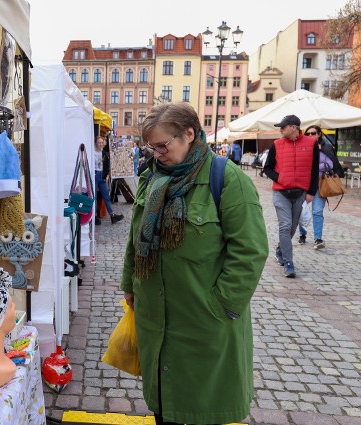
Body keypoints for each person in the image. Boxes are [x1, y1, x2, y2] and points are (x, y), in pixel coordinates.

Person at [120, 102, 268, 425]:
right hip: (155, 323)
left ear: (189, 133)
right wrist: (130, 284)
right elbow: (135, 236)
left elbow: (251, 250)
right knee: (165, 408)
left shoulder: (226, 179)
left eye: (163, 145)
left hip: (204, 325)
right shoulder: (152, 177)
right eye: (152, 147)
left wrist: (221, 305)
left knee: (202, 408)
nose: (157, 154)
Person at [263, 115, 319, 277]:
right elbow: (267, 168)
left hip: (300, 193)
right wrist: (281, 178)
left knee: (293, 228)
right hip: (281, 193)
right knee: (285, 226)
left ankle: (281, 249)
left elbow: (314, 170)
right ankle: (289, 263)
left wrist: (311, 192)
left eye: (283, 127)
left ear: (293, 127)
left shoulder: (311, 144)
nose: (280, 130)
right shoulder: (276, 145)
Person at [297, 125, 344, 249]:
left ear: (319, 135)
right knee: (302, 210)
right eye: (308, 134)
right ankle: (302, 234)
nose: (310, 136)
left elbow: (331, 164)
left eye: (313, 133)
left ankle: (318, 239)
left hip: (320, 183)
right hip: (305, 184)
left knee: (317, 211)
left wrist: (320, 151)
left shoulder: (327, 148)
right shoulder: (302, 147)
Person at [94, 136, 123, 225]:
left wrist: (106, 175)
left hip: (102, 176)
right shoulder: (93, 153)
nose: (100, 144)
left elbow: (106, 166)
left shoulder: (104, 154)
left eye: (102, 142)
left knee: (106, 196)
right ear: (95, 143)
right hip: (94, 175)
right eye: (99, 142)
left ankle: (112, 215)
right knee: (93, 197)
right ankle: (94, 216)